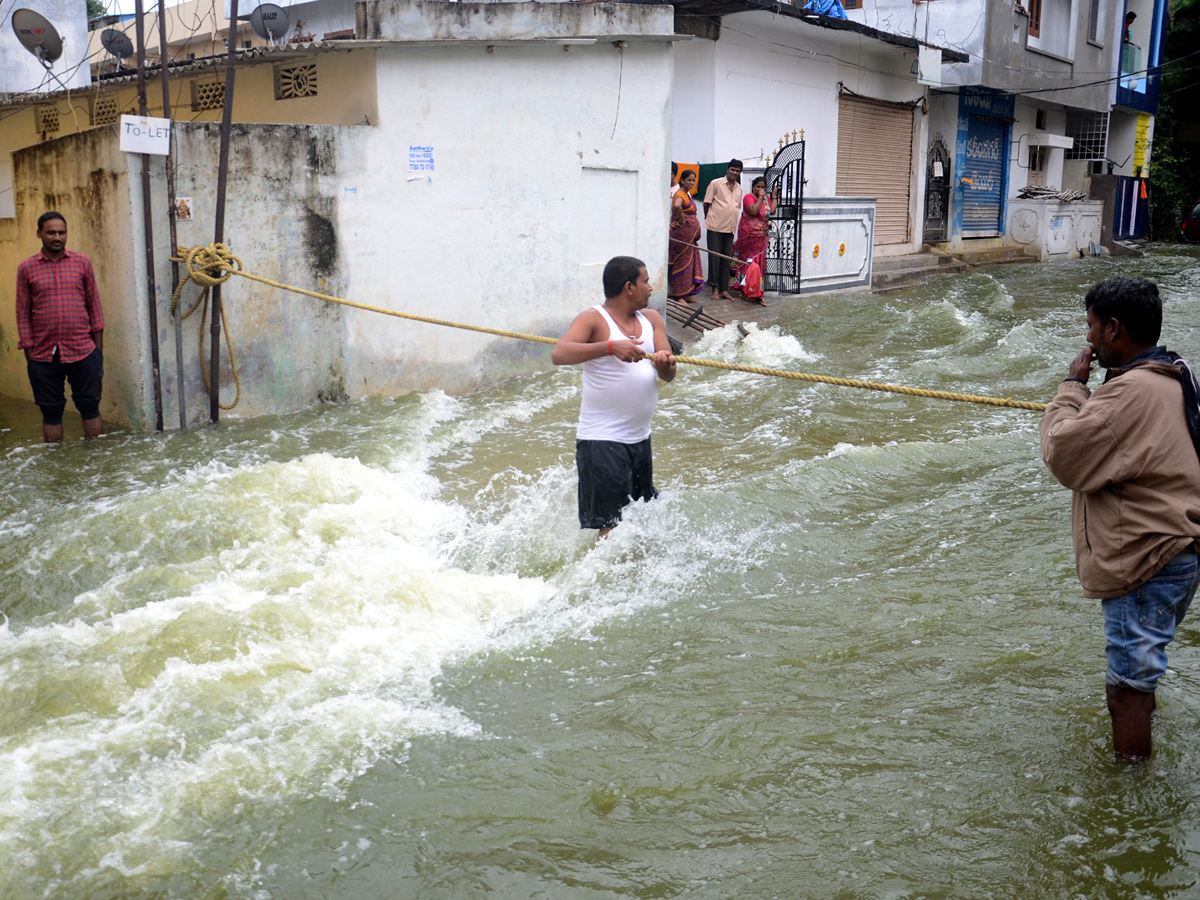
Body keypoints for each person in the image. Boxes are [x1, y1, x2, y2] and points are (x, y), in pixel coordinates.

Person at [1040, 276, 1200, 760]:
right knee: (1141, 672)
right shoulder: (1176, 373)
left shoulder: (1128, 393)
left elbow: (1062, 453)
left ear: (1114, 330)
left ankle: (1130, 785)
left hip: (1146, 560)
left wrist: (1072, 388)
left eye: (1091, 327)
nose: (1087, 338)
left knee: (1127, 687)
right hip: (1179, 549)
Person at [551, 256, 677, 537]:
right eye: (646, 281)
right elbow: (559, 353)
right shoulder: (593, 318)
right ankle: (598, 579)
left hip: (640, 440)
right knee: (612, 528)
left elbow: (669, 375)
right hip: (602, 440)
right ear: (629, 287)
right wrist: (609, 347)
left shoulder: (652, 319)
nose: (651, 287)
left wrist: (664, 364)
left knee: (639, 522)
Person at [15, 211, 105, 443]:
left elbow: (94, 305)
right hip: (43, 355)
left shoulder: (81, 262)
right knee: (51, 412)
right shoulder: (26, 268)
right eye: (51, 232)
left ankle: (96, 463)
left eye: (61, 232)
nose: (57, 237)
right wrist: (30, 354)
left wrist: (97, 353)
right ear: (39, 234)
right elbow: (22, 312)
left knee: (90, 407)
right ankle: (56, 466)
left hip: (83, 351)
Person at [731, 176, 778, 306]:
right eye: (758, 187)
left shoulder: (766, 198)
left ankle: (756, 291)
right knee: (750, 263)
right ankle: (747, 290)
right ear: (753, 187)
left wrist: (773, 196)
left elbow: (772, 211)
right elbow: (754, 210)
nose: (761, 189)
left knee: (759, 264)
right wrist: (761, 197)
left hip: (761, 237)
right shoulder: (748, 197)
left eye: (763, 187)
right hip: (748, 237)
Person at [703, 158, 743, 302]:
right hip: (715, 226)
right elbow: (706, 203)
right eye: (732, 169)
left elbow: (736, 207)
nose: (734, 173)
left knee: (726, 259)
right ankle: (714, 289)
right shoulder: (716, 183)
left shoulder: (739, 188)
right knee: (715, 258)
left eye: (737, 171)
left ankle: (724, 289)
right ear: (727, 169)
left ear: (740, 173)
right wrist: (710, 217)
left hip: (730, 227)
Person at [668, 170, 705, 303]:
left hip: (689, 238)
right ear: (682, 180)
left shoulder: (686, 194)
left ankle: (686, 293)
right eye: (689, 180)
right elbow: (677, 205)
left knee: (689, 264)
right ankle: (679, 296)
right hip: (681, 238)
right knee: (681, 264)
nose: (691, 182)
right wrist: (683, 219)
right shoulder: (680, 194)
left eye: (693, 180)